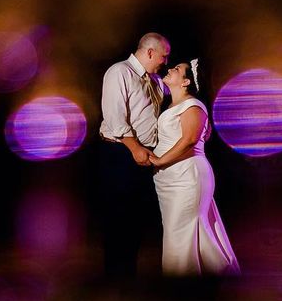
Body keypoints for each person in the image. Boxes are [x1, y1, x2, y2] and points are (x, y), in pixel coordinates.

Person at [148, 59, 239, 276]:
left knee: (180, 232)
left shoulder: (194, 106)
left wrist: (160, 161)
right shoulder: (171, 105)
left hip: (187, 178)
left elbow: (189, 140)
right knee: (187, 232)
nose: (170, 69)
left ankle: (182, 287)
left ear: (186, 81)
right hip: (170, 181)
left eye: (177, 69)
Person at [96, 32, 170, 278]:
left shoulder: (156, 81)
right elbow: (115, 116)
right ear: (150, 52)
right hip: (121, 154)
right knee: (118, 219)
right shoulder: (120, 72)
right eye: (163, 56)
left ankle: (128, 275)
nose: (165, 61)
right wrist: (134, 147)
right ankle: (115, 277)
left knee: (135, 221)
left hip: (144, 157)